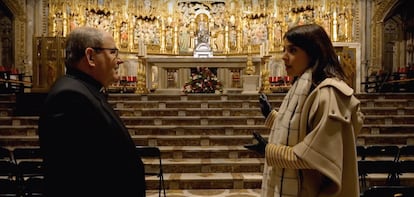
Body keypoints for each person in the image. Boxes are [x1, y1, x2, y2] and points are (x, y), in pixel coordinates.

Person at [244, 24, 364, 197]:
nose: (284, 57)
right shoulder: (306, 86)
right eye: (284, 49)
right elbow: (302, 129)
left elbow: (316, 155)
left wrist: (269, 151)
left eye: (292, 50)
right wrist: (271, 116)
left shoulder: (328, 94)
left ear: (314, 52)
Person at [38, 26, 146, 197]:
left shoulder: (83, 90)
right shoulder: (69, 98)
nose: (119, 61)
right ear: (90, 57)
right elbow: (75, 178)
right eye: (113, 52)